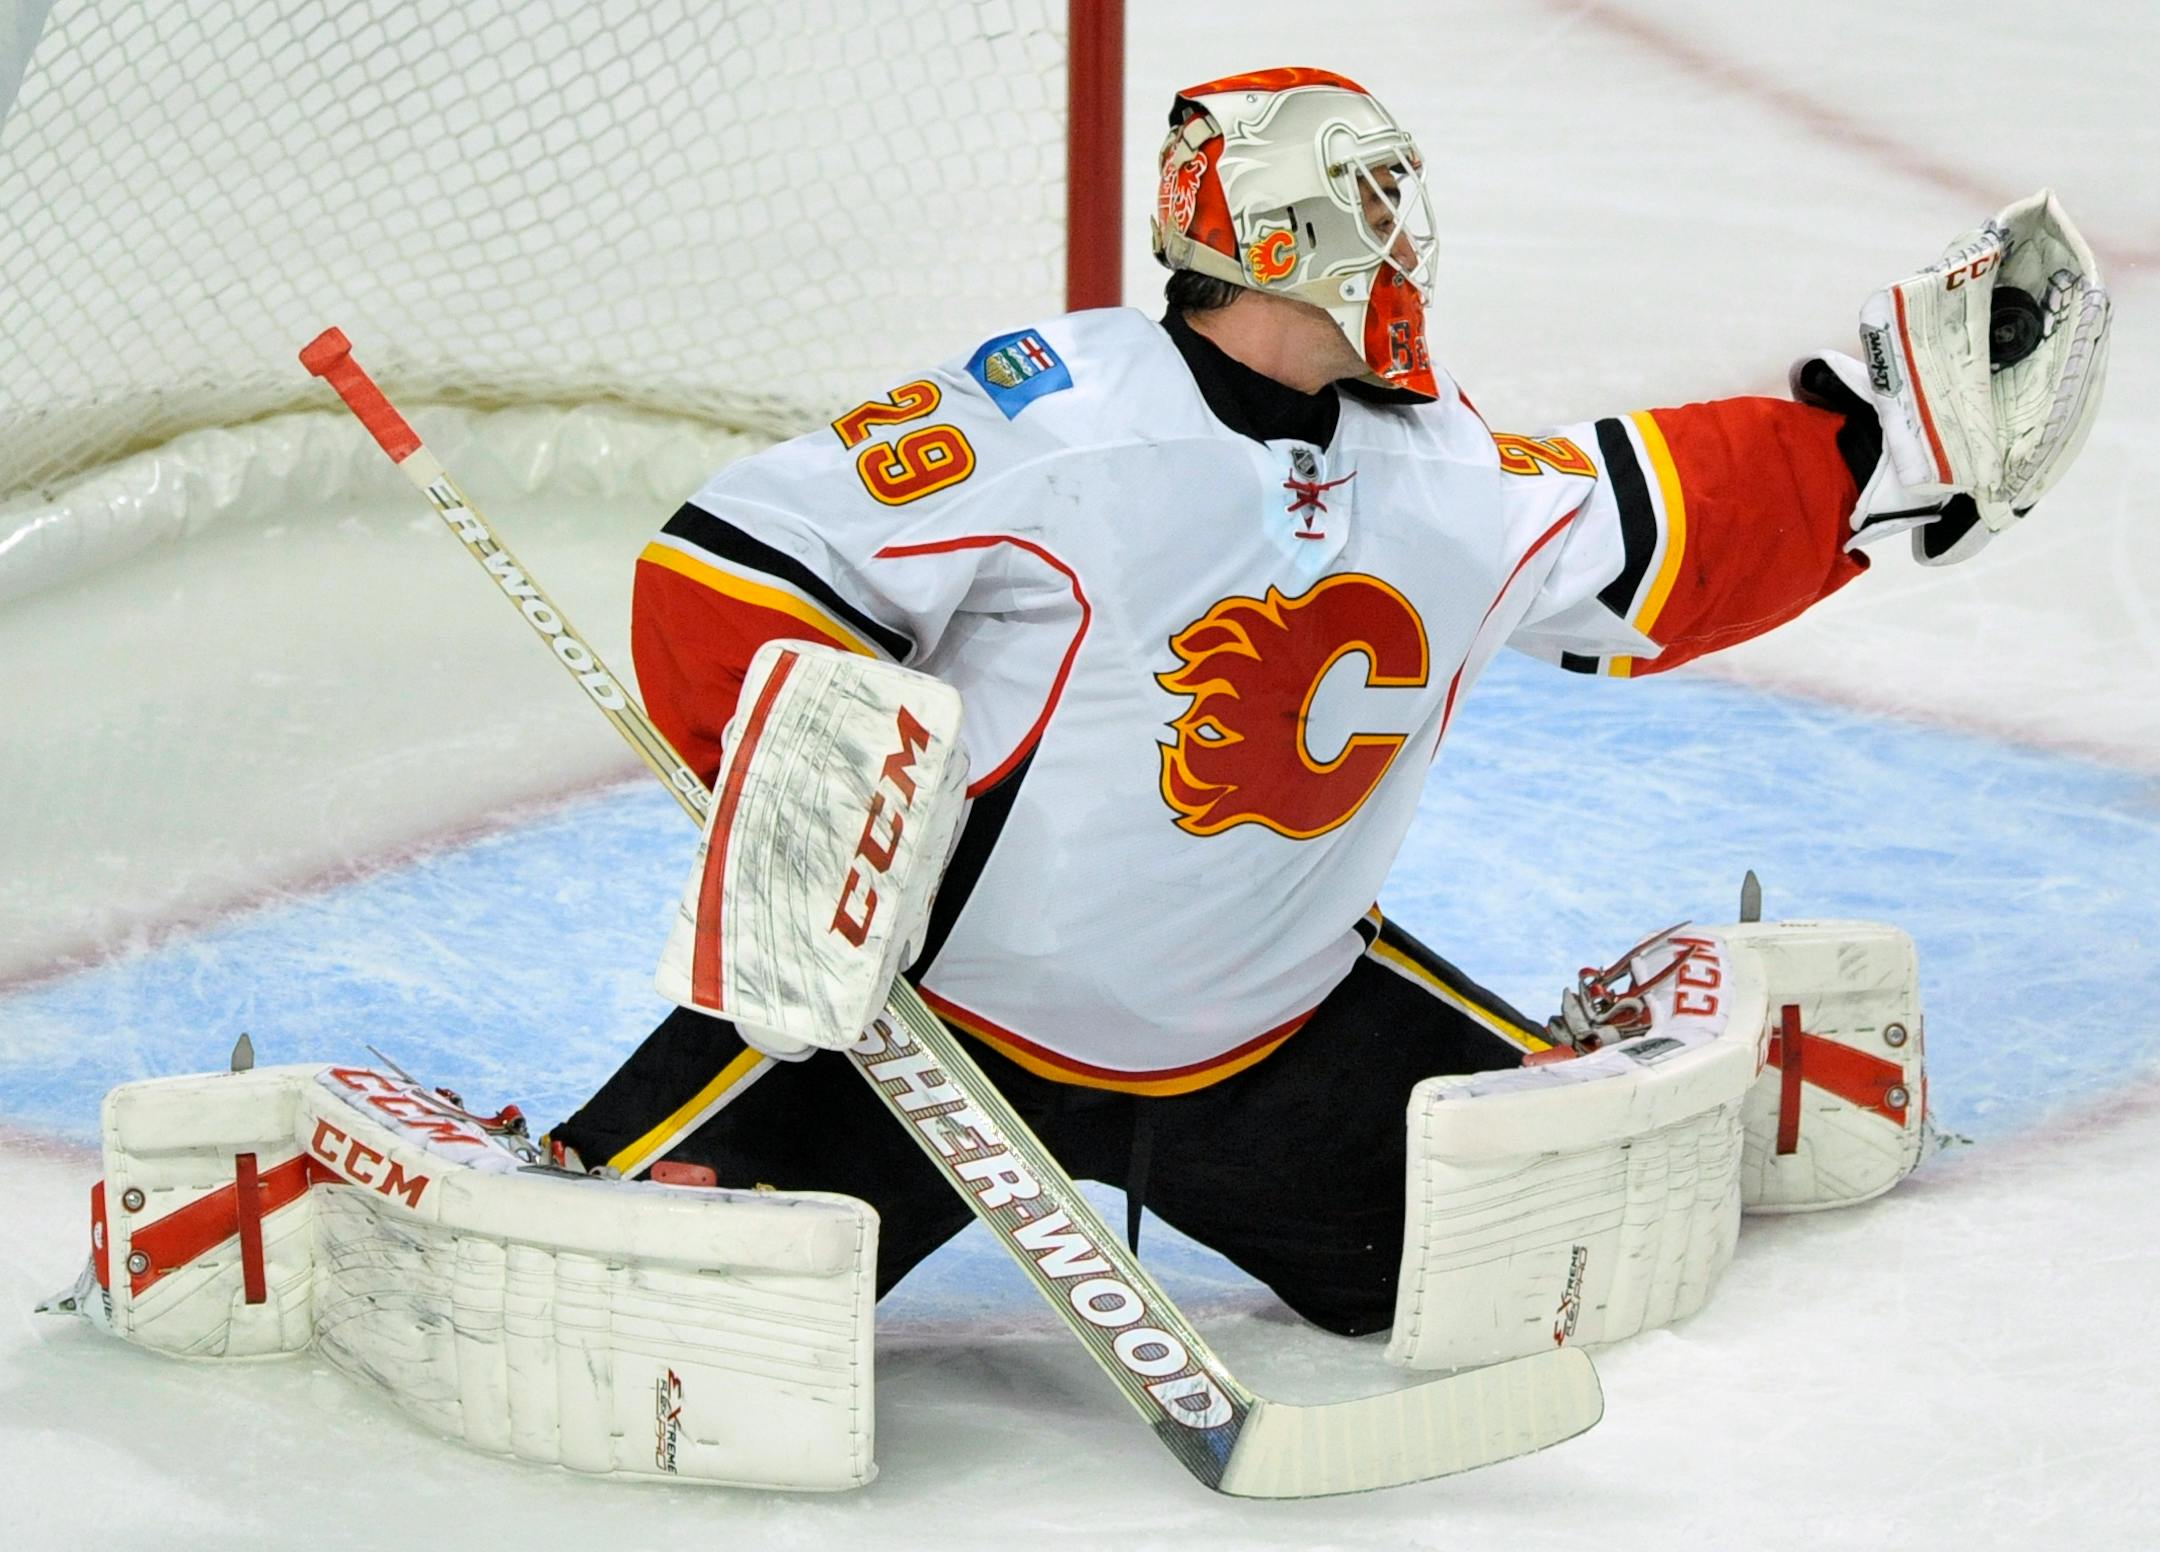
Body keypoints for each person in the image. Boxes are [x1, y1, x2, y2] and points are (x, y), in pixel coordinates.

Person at [542, 67, 2102, 1336]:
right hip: (928, 1045)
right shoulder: (1057, 417)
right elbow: (737, 565)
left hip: (1269, 1044)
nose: (1402, 236)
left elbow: (1654, 525)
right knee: (614, 1302)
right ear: (1291, 235)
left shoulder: (1439, 473)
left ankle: (1625, 1029)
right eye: (1370, 201)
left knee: (1553, 1258)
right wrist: (823, 849)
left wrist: (1876, 449)